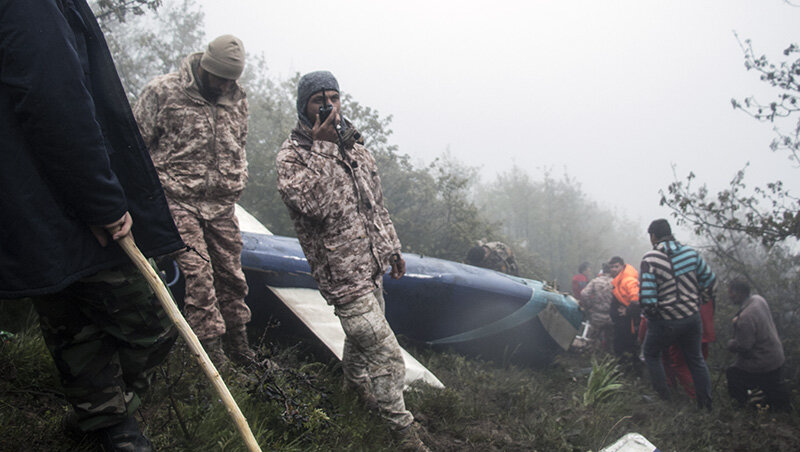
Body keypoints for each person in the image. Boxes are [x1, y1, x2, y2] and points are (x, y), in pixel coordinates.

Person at [0, 0, 185, 449]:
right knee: (149, 320)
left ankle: (104, 420)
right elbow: (53, 96)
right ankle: (105, 419)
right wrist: (100, 200)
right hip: (54, 195)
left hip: (34, 194)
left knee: (72, 311)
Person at [276, 71, 429, 451]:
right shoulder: (292, 156)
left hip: (371, 264)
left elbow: (374, 204)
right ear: (304, 106)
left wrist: (391, 248)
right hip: (341, 274)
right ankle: (404, 434)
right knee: (387, 354)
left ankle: (353, 392)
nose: (328, 106)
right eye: (318, 100)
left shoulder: (357, 148)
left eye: (334, 97)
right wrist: (324, 147)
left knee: (362, 343)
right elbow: (314, 206)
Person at [133, 35, 254, 367]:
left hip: (221, 206)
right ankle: (211, 358)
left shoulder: (237, 99)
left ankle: (239, 348)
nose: (226, 85)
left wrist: (238, 176)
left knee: (232, 276)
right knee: (199, 275)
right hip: (177, 199)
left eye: (233, 79)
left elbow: (238, 144)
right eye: (221, 78)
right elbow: (135, 146)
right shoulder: (163, 93)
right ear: (205, 67)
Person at [639, 219, 715, 410]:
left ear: (654, 236)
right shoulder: (691, 254)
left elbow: (648, 298)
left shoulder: (651, 258)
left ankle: (664, 399)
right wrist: (699, 300)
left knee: (651, 353)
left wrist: (654, 317)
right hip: (691, 318)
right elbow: (710, 280)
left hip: (666, 320)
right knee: (695, 359)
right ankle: (706, 404)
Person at [726, 277, 790, 411]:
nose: (729, 296)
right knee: (773, 390)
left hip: (763, 362)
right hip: (776, 356)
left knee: (733, 373)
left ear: (740, 293)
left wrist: (731, 344)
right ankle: (775, 405)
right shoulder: (758, 300)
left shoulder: (745, 318)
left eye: (731, 292)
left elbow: (744, 347)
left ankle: (743, 407)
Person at [608, 256, 640, 363]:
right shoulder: (618, 280)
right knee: (620, 347)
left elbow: (636, 299)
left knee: (628, 348)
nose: (613, 269)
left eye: (616, 267)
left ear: (622, 266)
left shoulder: (628, 279)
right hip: (621, 322)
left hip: (628, 323)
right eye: (611, 267)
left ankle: (631, 372)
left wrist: (628, 311)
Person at [578, 264, 614, 351]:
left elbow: (584, 294)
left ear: (603, 271)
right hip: (611, 316)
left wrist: (589, 306)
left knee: (592, 341)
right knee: (610, 342)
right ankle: (608, 361)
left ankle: (590, 360)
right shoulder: (615, 282)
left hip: (597, 314)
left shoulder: (595, 281)